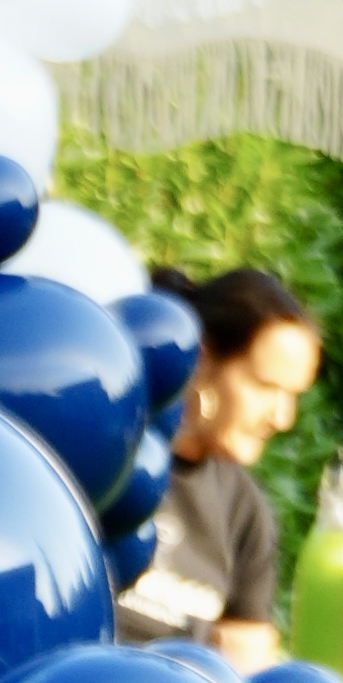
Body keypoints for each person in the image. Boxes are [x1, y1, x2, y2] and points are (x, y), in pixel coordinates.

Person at [122, 265, 322, 658]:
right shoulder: (113, 463)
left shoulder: (244, 510)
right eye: (266, 386)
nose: (283, 418)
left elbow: (247, 665)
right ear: (201, 359)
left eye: (294, 395)